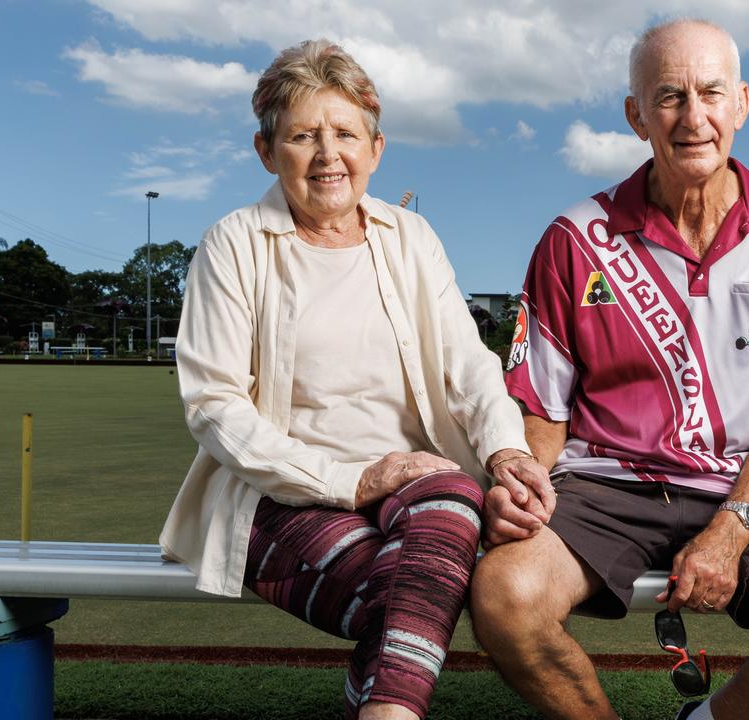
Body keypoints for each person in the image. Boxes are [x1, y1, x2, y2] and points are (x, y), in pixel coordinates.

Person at [472, 19, 749, 720]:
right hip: (602, 486)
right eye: (670, 97)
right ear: (636, 114)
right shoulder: (575, 239)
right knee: (503, 595)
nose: (693, 118)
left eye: (710, 94)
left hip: (742, 487)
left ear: (740, 104)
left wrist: (732, 527)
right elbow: (543, 414)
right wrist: (519, 484)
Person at [159, 39, 550, 720]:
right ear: (266, 150)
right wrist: (357, 481)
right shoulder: (232, 244)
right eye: (303, 135)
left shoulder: (412, 239)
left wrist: (506, 452)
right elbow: (213, 406)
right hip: (276, 501)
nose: (326, 154)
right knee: (422, 587)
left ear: (375, 148)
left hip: (422, 494)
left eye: (344, 133)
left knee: (449, 506)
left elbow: (471, 367)